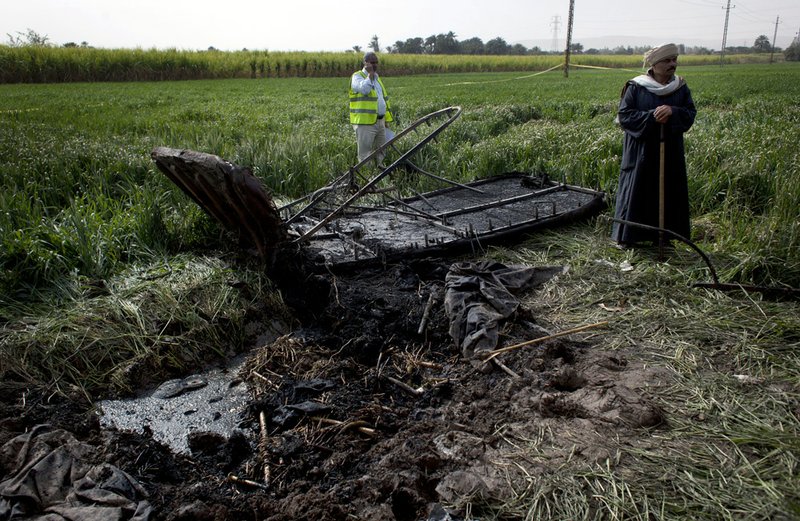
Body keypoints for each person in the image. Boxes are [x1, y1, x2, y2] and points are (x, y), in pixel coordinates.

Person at [611, 43, 697, 248]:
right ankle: (629, 238)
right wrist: (652, 116)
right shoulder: (636, 87)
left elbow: (689, 113)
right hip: (640, 152)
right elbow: (625, 116)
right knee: (637, 190)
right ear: (655, 64)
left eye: (674, 60)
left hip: (670, 151)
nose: (672, 64)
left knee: (668, 190)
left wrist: (673, 112)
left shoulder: (680, 87)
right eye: (667, 60)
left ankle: (664, 237)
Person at [349, 51, 394, 164]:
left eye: (376, 62)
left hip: (380, 122)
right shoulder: (357, 76)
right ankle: (366, 176)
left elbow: (382, 99)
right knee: (365, 155)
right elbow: (364, 90)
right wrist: (369, 75)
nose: (374, 65)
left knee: (381, 151)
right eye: (371, 62)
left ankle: (379, 174)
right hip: (365, 123)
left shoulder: (377, 79)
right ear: (365, 63)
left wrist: (385, 120)